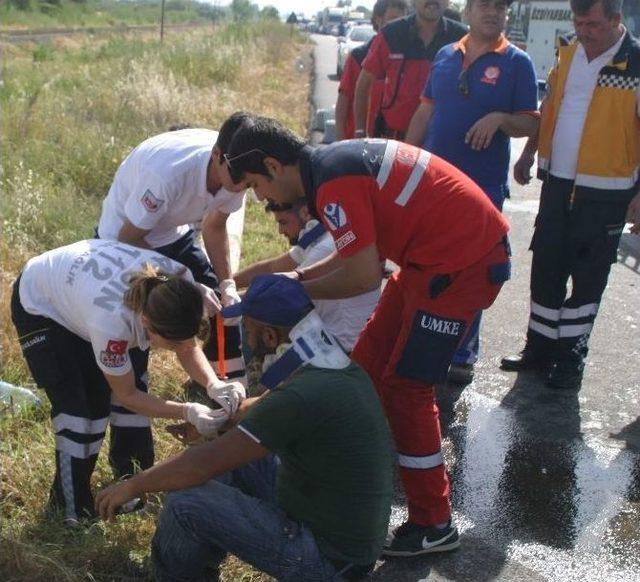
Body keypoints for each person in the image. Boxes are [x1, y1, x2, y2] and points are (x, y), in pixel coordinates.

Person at [223, 116, 511, 555]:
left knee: (405, 389)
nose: (260, 197)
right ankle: (354, 475)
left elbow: (361, 277)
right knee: (366, 368)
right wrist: (298, 278)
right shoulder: (328, 168)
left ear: (272, 166)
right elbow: (358, 255)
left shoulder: (333, 182)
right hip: (427, 261)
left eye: (255, 186)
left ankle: (433, 522)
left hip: (460, 265)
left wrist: (295, 290)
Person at [95, 274, 394, 581]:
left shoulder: (303, 394)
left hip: (328, 560)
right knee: (231, 462)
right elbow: (264, 408)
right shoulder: (327, 365)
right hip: (338, 531)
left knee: (185, 503)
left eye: (247, 330)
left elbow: (200, 466)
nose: (245, 340)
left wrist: (132, 485)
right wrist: (215, 425)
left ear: (268, 336)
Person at [11, 239, 245, 524]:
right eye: (170, 345)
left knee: (131, 391)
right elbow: (127, 394)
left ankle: (130, 483)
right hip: (42, 303)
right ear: (148, 326)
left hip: (82, 292)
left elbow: (186, 345)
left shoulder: (177, 282)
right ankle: (70, 511)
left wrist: (214, 384)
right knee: (83, 413)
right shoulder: (112, 324)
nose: (178, 349)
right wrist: (187, 411)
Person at [501, 0, 640, 390]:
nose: (584, 31)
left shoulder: (635, 63)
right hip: (558, 185)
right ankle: (539, 350)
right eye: (579, 23)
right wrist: (530, 152)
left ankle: (569, 358)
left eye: (593, 24)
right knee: (546, 267)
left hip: (606, 193)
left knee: (588, 278)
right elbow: (551, 107)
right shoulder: (568, 53)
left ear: (616, 21)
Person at [405, 0, 539, 384]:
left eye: (500, 7)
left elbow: (531, 123)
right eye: (484, 4)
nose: (493, 12)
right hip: (433, 183)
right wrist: (403, 161)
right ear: (467, 11)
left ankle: (462, 352)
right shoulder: (447, 55)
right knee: (425, 261)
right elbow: (424, 112)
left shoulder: (518, 62)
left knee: (472, 269)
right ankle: (421, 340)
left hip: (482, 187)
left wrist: (499, 118)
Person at [97, 113, 254, 386]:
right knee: (143, 311)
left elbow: (215, 228)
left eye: (249, 182)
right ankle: (132, 382)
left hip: (170, 230)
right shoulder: (167, 175)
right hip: (123, 239)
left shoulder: (237, 166)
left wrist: (227, 283)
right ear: (217, 155)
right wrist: (184, 280)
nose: (241, 186)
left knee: (217, 297)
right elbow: (129, 238)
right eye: (238, 178)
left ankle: (222, 380)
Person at [234, 200, 380, 352]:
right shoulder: (319, 237)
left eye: (283, 222)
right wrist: (227, 284)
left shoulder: (325, 247)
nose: (280, 231)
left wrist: (228, 300)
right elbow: (271, 267)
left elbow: (281, 292)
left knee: (255, 326)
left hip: (345, 345)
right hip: (336, 338)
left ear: (305, 213)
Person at [353, 0, 467, 139]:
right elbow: (363, 84)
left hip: (440, 144)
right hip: (394, 141)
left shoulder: (462, 37)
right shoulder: (392, 33)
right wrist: (360, 131)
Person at [335, 0, 409, 140]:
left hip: (390, 145)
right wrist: (339, 141)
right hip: (356, 143)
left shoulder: (407, 58)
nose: (399, 25)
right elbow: (343, 102)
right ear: (378, 20)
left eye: (403, 20)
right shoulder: (358, 56)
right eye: (393, 19)